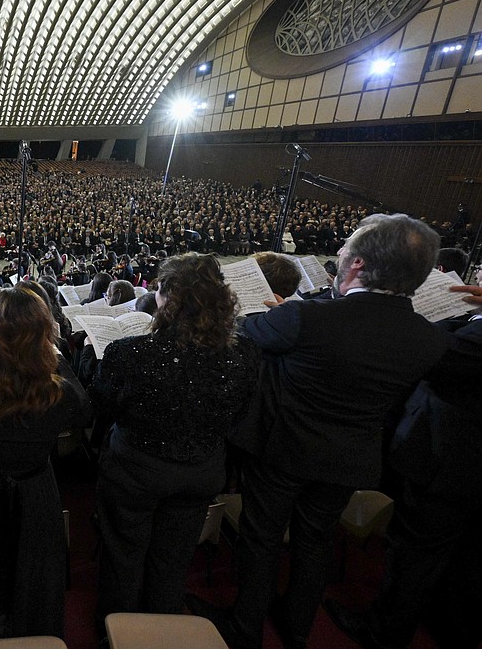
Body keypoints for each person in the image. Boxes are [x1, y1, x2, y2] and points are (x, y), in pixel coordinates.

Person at [190, 214, 450, 649]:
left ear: (357, 265)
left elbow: (243, 332)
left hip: (282, 451)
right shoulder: (430, 339)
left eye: (345, 249)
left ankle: (245, 626)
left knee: (262, 538)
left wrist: (272, 312)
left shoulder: (305, 320)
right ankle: (296, 627)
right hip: (350, 460)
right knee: (316, 540)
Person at [91, 254, 259, 618]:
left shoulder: (130, 352)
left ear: (168, 299)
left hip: (135, 471)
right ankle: (161, 625)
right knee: (174, 560)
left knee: (124, 555)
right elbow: (240, 413)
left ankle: (118, 629)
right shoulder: (243, 353)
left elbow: (102, 407)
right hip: (201, 472)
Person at [325, 286, 482, 649]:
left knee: (415, 553)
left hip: (451, 463)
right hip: (460, 462)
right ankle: (453, 623)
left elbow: (427, 351)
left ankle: (385, 631)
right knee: (464, 554)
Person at [0, 286, 91, 644]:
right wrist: (55, 358)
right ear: (44, 334)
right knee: (34, 579)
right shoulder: (59, 393)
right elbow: (83, 407)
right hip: (36, 490)